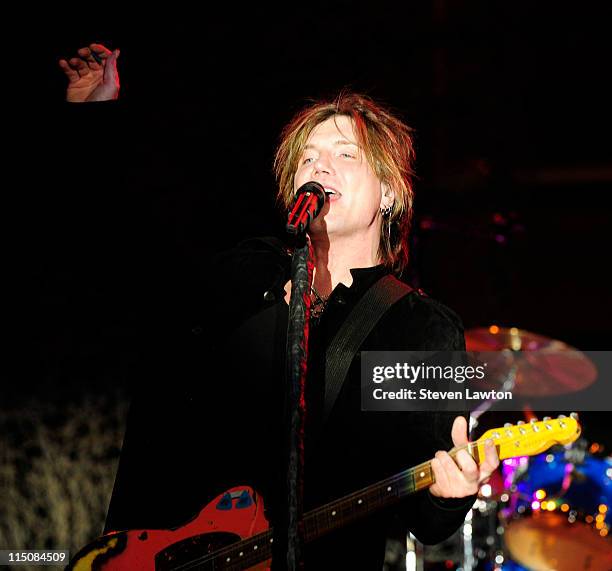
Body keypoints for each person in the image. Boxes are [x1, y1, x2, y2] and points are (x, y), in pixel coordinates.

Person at [59, 43, 499, 569]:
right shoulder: (243, 275)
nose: (320, 166)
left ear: (389, 191)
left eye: (344, 155)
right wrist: (96, 123)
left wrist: (453, 491)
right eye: (308, 158)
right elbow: (118, 254)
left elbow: (427, 521)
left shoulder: (420, 328)